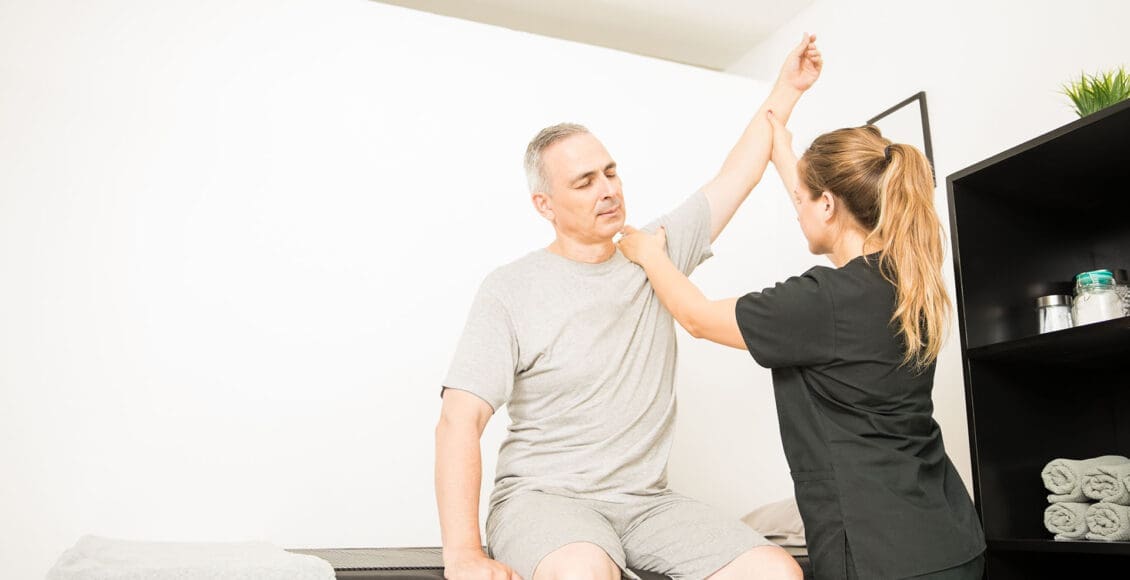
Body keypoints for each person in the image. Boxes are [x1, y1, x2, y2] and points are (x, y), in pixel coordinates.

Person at [435, 34, 824, 580]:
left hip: (646, 505)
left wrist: (787, 88)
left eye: (611, 172)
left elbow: (739, 173)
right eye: (585, 182)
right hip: (544, 501)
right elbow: (459, 419)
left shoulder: (654, 252)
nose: (608, 190)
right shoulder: (509, 289)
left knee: (774, 572)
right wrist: (462, 554)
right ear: (545, 205)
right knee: (585, 570)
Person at [616, 109, 987, 579]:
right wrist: (784, 152)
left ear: (828, 205)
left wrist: (649, 254)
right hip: (951, 539)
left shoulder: (822, 301)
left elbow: (697, 318)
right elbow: (831, 217)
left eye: (804, 200)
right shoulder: (911, 283)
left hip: (880, 556)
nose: (797, 211)